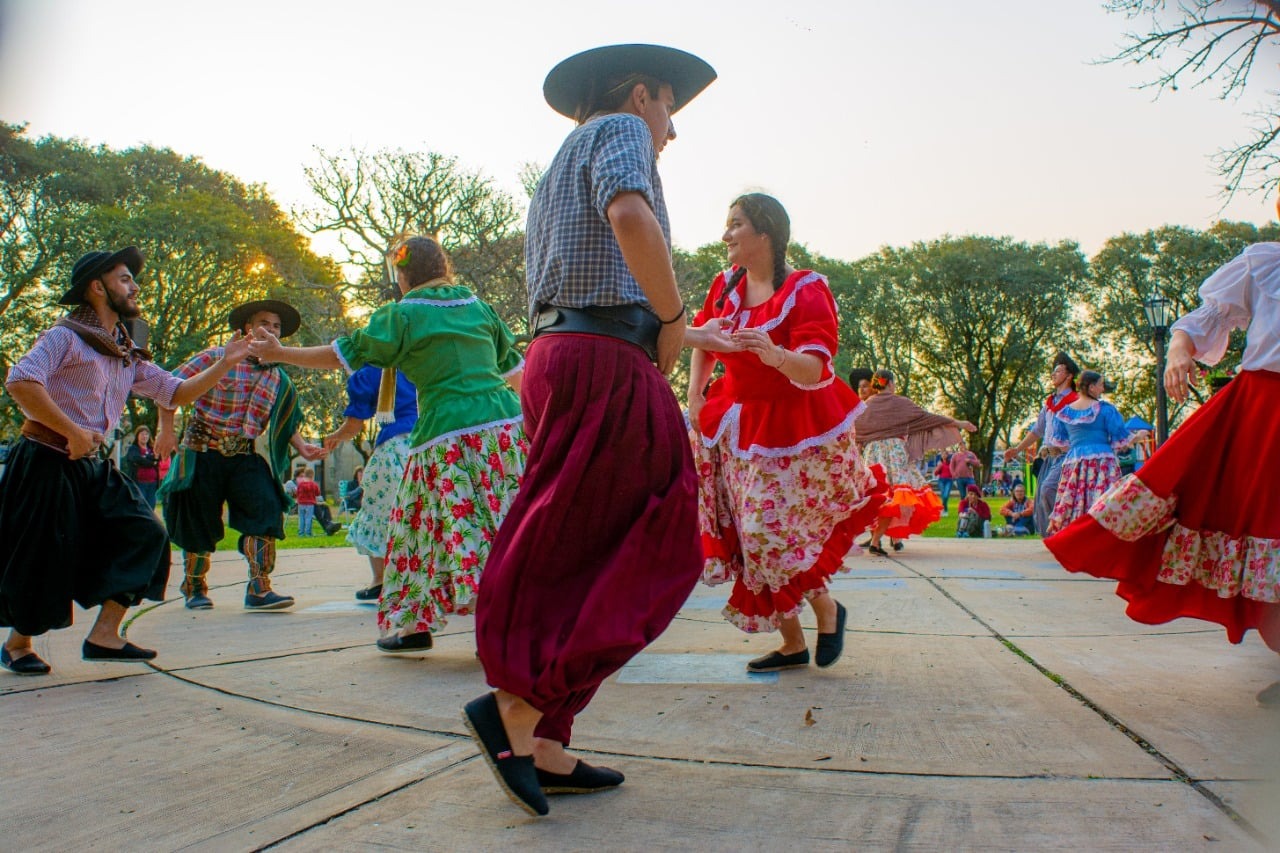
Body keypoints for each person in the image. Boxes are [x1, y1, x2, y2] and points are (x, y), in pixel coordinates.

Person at [455, 44, 722, 818]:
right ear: (643, 95)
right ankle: (515, 706)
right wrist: (673, 319)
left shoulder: (561, 158)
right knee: (666, 531)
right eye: (670, 108)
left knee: (575, 537)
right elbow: (632, 214)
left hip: (558, 351)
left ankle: (542, 735)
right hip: (605, 353)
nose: (671, 130)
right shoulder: (621, 130)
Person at [248, 235, 527, 655]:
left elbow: (343, 354)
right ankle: (525, 618)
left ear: (401, 275)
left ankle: (413, 625)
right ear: (444, 268)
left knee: (419, 530)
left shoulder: (401, 316)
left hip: (445, 434)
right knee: (508, 522)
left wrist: (281, 352)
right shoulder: (477, 306)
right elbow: (516, 372)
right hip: (504, 431)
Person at [1046, 235, 1280, 708]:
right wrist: (1178, 349)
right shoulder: (1266, 259)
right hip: (1265, 407)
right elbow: (1207, 317)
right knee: (1256, 526)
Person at [0, 247, 251, 675]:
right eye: (123, 279)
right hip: (45, 459)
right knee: (43, 555)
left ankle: (104, 636)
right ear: (97, 288)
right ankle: (18, 644)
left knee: (146, 533)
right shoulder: (64, 337)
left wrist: (225, 363)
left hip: (91, 463)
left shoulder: (124, 353)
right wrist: (73, 432)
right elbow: (21, 381)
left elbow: (175, 393)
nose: (134, 286)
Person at [688, 193, 887, 674]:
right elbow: (702, 341)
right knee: (750, 540)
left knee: (769, 533)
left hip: (792, 429)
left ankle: (827, 611)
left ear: (766, 232)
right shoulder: (725, 287)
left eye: (735, 224)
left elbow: (817, 366)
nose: (725, 235)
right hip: (735, 426)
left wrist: (775, 355)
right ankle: (793, 643)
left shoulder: (805, 288)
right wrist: (694, 396)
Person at [157, 299, 327, 611]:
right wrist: (165, 431)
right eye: (264, 322)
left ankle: (259, 588)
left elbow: (285, 420)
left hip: (244, 453)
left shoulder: (278, 377)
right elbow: (167, 388)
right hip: (203, 451)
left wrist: (302, 447)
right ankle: (195, 586)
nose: (271, 329)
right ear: (248, 328)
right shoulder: (214, 357)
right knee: (199, 520)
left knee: (265, 506)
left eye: (276, 326)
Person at [323, 364, 418, 601]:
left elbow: (354, 426)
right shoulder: (421, 359)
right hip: (428, 441)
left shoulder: (373, 370)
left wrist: (335, 436)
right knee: (424, 513)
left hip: (393, 447)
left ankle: (381, 579)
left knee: (378, 514)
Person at [856, 369, 974, 555]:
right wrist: (959, 423)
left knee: (880, 497)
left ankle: (888, 538)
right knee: (896, 498)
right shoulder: (901, 403)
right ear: (891, 383)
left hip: (873, 454)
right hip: (894, 453)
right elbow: (929, 418)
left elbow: (854, 429)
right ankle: (878, 542)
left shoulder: (867, 405)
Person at [1044, 370, 1145, 535]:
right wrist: (1138, 436)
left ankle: (1076, 538)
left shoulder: (1064, 413)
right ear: (1091, 387)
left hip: (1074, 463)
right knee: (1104, 503)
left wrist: (1079, 447)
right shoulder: (1105, 410)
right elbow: (1121, 438)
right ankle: (1102, 539)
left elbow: (1061, 443)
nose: (1102, 388)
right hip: (1102, 462)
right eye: (1100, 384)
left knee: (1076, 500)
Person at [1003, 351, 1081, 536]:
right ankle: (1053, 536)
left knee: (1048, 490)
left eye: (1058, 371)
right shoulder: (1049, 404)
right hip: (1048, 458)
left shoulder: (1076, 402)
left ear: (1069, 376)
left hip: (1067, 457)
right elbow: (1037, 430)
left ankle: (1061, 533)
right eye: (1053, 371)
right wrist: (1017, 449)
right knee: (1040, 499)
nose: (1053, 374)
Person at [123, 424, 161, 508]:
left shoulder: (152, 449)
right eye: (142, 434)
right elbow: (137, 459)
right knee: (141, 507)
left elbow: (158, 459)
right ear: (137, 436)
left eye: (146, 434)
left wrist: (147, 459)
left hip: (152, 484)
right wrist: (152, 461)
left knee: (151, 506)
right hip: (139, 483)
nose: (144, 436)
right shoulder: (133, 449)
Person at [294, 466, 321, 536]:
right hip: (310, 503)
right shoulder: (313, 484)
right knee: (308, 518)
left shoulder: (300, 484)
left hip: (301, 503)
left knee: (301, 518)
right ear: (312, 476)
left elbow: (297, 493)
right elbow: (318, 493)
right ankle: (308, 532)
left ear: (304, 475)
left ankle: (301, 533)